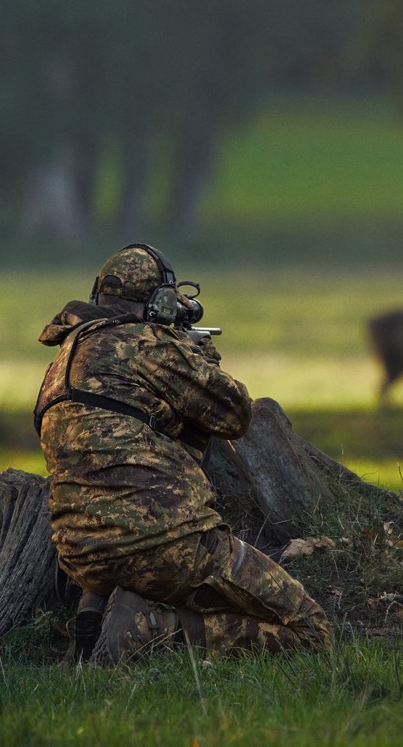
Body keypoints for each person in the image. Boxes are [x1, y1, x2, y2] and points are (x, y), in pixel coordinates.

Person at [33, 243, 331, 663]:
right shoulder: (147, 344)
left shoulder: (65, 357)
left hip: (80, 555)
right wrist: (198, 357)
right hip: (165, 545)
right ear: (158, 305)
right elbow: (234, 414)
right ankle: (148, 629)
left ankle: (98, 609)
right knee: (310, 628)